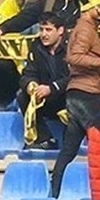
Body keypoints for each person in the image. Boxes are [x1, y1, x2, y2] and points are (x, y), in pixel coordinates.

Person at [51, 0, 100, 198]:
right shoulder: (86, 29)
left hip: (79, 92)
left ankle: (55, 190)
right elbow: (75, 57)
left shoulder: (86, 27)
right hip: (86, 94)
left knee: (69, 148)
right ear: (91, 6)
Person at [17, 12, 69, 150]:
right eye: (41, 29)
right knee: (23, 97)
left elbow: (75, 77)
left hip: (66, 96)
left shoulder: (71, 46)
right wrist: (30, 84)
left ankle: (71, 141)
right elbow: (27, 73)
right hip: (46, 98)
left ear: (60, 31)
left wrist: (52, 88)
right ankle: (44, 139)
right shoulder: (36, 46)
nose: (44, 34)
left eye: (48, 30)